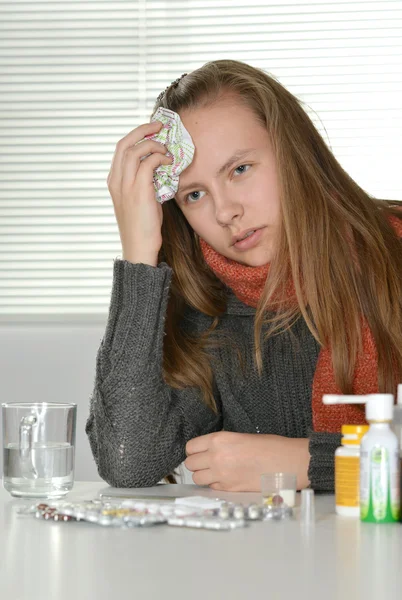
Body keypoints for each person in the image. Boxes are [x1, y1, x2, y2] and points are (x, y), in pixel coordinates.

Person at [86, 59, 402, 493]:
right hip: (265, 560)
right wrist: (139, 257)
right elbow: (128, 461)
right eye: (194, 195)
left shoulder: (393, 256)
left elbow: (307, 465)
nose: (224, 211)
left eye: (239, 169)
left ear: (294, 152)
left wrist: (311, 463)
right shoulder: (207, 304)